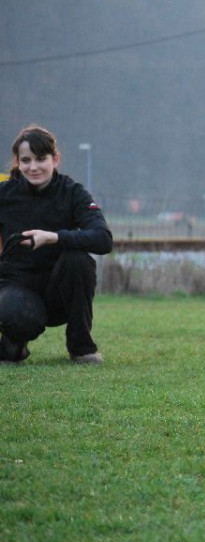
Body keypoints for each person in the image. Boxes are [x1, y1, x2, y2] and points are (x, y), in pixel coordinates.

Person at [0, 125, 113, 365]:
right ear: (18, 162)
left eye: (41, 159)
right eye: (26, 160)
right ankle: (13, 345)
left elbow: (103, 239)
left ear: (55, 159)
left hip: (60, 293)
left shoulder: (74, 193)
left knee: (79, 260)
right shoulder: (4, 194)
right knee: (11, 310)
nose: (33, 167)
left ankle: (81, 347)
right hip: (16, 286)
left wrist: (54, 237)